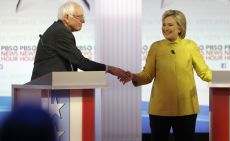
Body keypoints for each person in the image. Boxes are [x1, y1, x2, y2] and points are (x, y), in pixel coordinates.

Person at [124, 10, 212, 141]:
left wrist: (224, 79)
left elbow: (204, 72)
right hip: (159, 109)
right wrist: (134, 77)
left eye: (170, 25)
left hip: (186, 109)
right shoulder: (156, 47)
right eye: (164, 24)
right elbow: (147, 75)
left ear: (180, 27)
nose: (165, 28)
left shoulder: (190, 46)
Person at [31, 1, 127, 80]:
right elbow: (81, 62)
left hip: (49, 87)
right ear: (66, 17)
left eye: (83, 17)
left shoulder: (58, 30)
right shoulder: (60, 32)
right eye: (79, 17)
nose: (83, 21)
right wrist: (110, 69)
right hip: (45, 90)